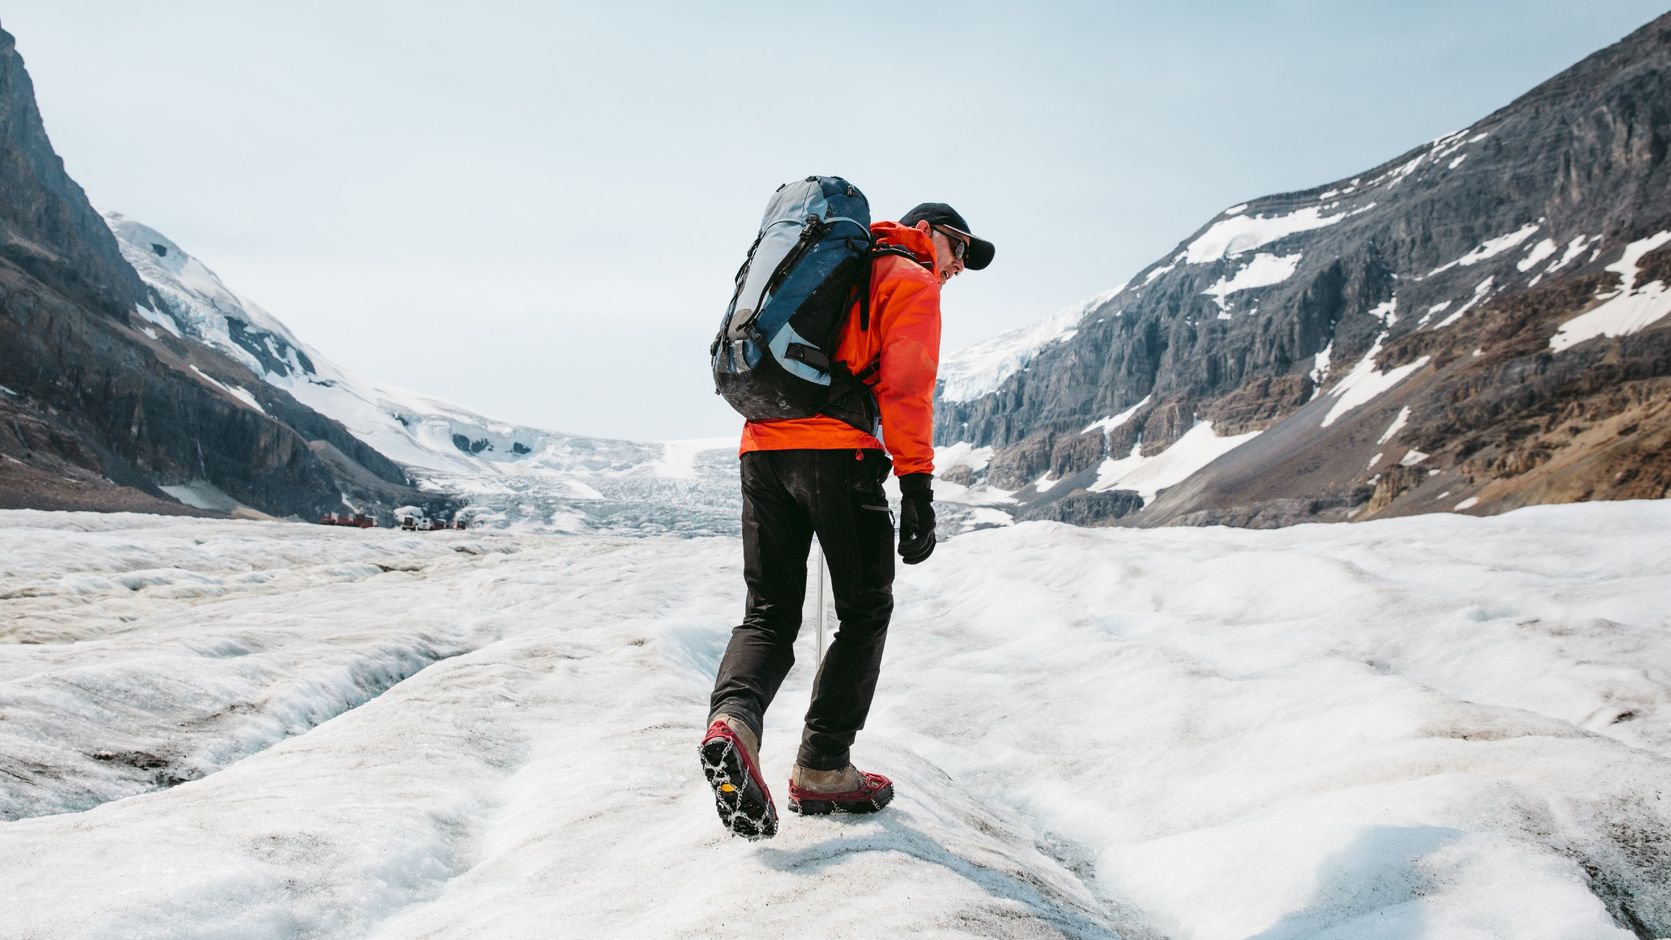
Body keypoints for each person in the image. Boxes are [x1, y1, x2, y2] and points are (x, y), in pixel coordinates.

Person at [699, 202, 996, 839]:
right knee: (865, 609)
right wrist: (917, 485)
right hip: (838, 455)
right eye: (962, 251)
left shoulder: (835, 270)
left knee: (768, 613)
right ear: (933, 234)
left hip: (762, 449)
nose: (959, 268)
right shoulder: (908, 277)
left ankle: (733, 724)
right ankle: (823, 768)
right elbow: (906, 389)